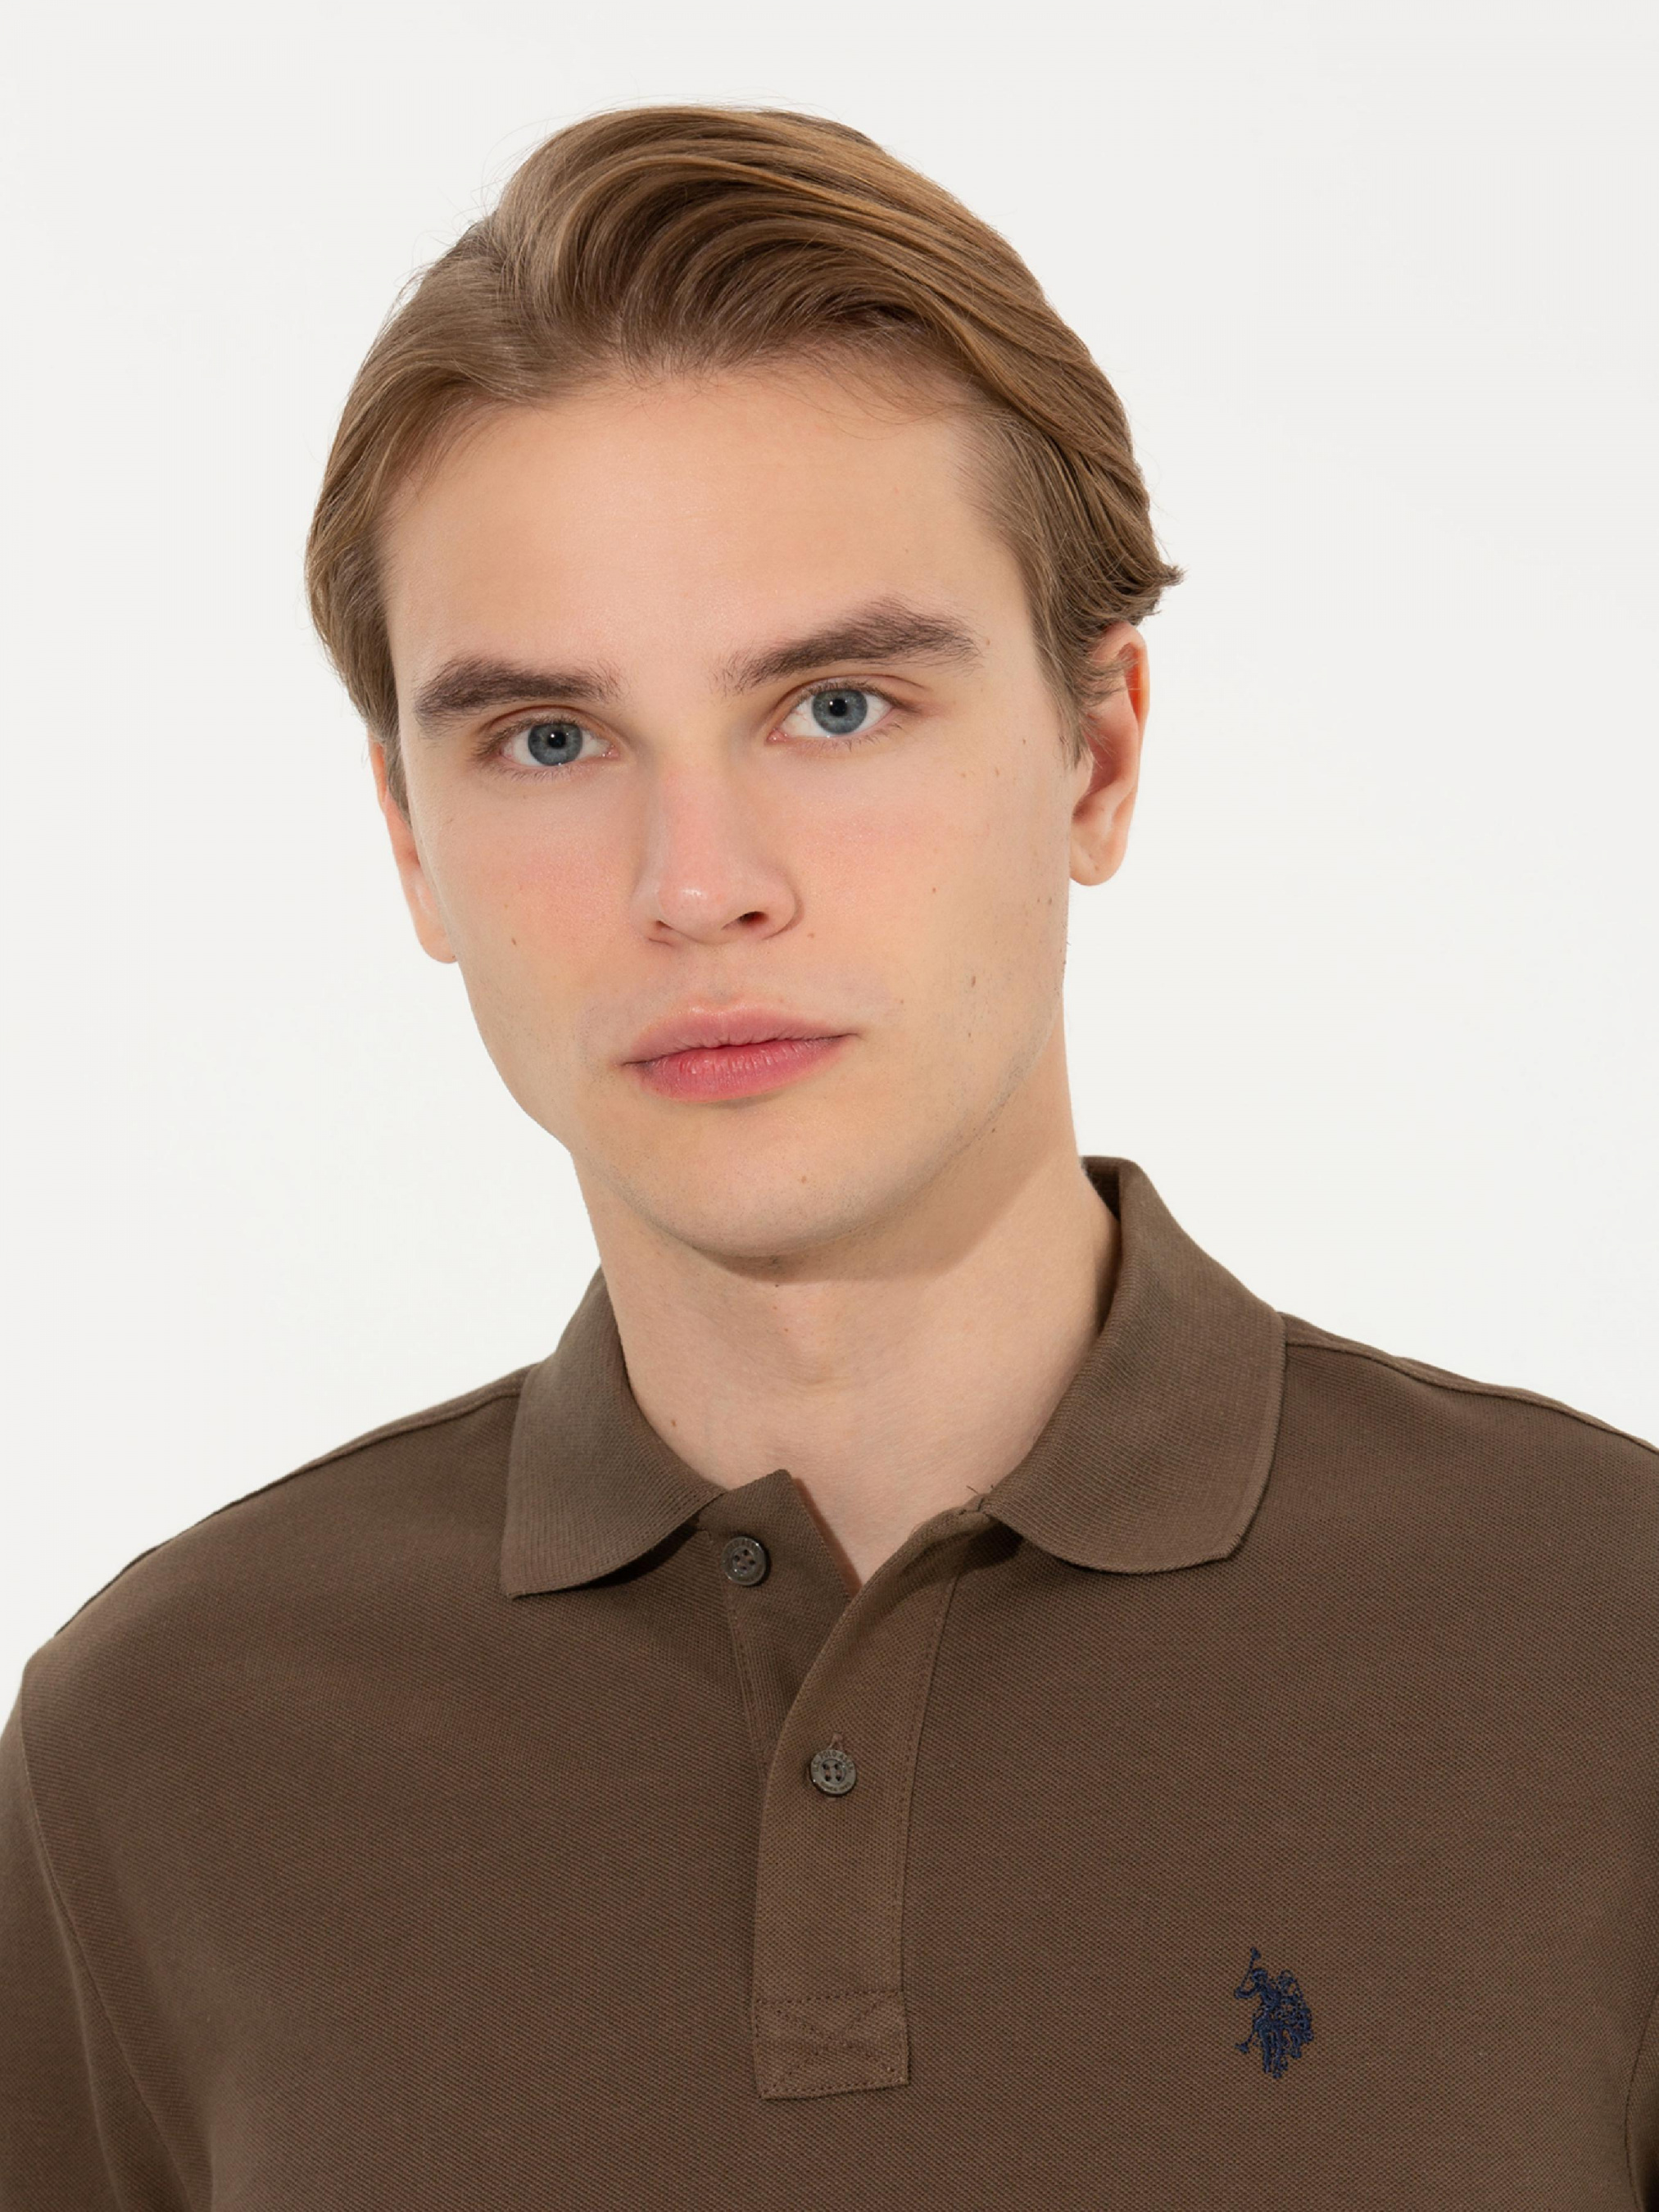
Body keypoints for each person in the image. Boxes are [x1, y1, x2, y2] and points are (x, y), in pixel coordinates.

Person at [2, 103, 1657, 2210]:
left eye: (837, 706)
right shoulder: (159, 1750)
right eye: (547, 740)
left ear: (1096, 751)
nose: (698, 884)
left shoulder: (1609, 1650)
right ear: (412, 840)